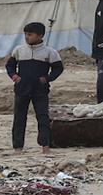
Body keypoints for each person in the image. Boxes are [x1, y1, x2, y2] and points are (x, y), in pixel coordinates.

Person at [6, 22, 64, 155]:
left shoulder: (49, 52)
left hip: (40, 90)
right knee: (19, 118)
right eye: (25, 34)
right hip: (21, 89)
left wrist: (47, 78)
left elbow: (58, 68)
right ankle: (18, 147)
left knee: (43, 117)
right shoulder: (19, 50)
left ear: (40, 35)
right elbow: (10, 66)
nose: (27, 37)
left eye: (30, 34)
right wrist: (14, 76)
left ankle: (45, 146)